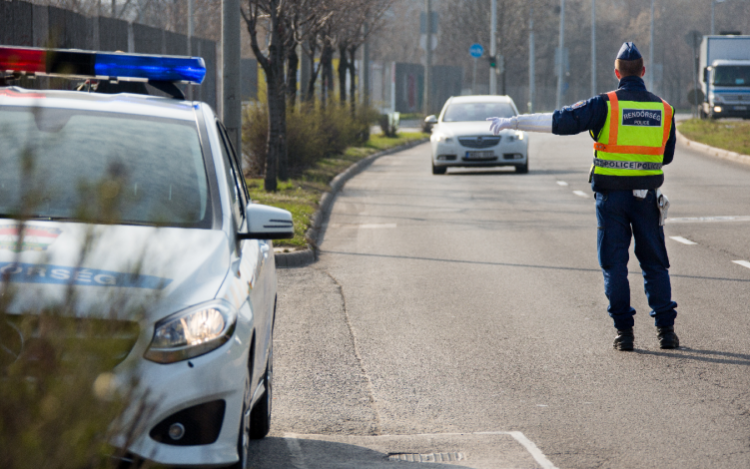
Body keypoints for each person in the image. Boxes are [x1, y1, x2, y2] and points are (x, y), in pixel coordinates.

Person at [487, 42, 679, 351]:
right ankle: (666, 332)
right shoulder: (665, 109)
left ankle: (624, 334)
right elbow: (666, 156)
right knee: (655, 264)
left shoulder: (606, 104)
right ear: (643, 72)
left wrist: (515, 122)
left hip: (611, 200)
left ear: (617, 73)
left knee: (614, 266)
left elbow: (560, 120)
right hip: (647, 199)